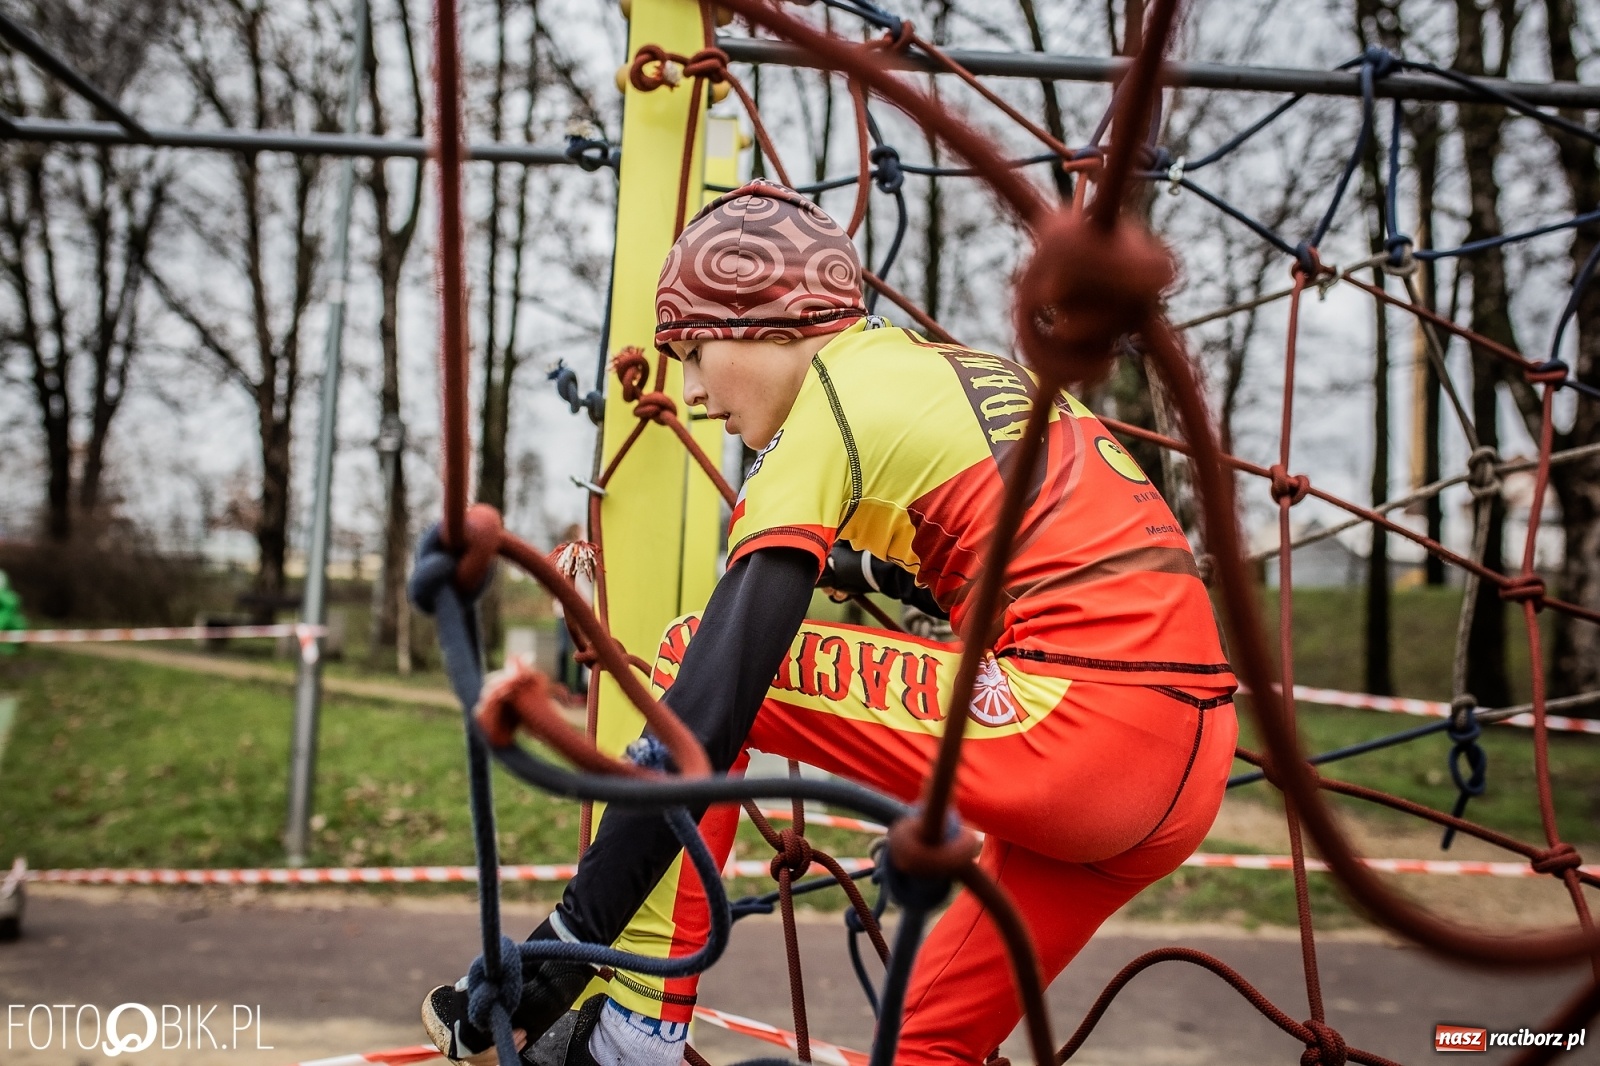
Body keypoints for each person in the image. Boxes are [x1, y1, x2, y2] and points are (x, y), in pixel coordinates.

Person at [423, 181, 1237, 1066]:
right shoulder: (950, 372)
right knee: (923, 1049)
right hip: (1186, 767)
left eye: (694, 352)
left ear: (774, 325)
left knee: (687, 656)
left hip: (1076, 729)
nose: (693, 393)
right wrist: (874, 563)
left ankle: (629, 1037)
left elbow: (710, 708)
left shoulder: (829, 409)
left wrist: (560, 949)